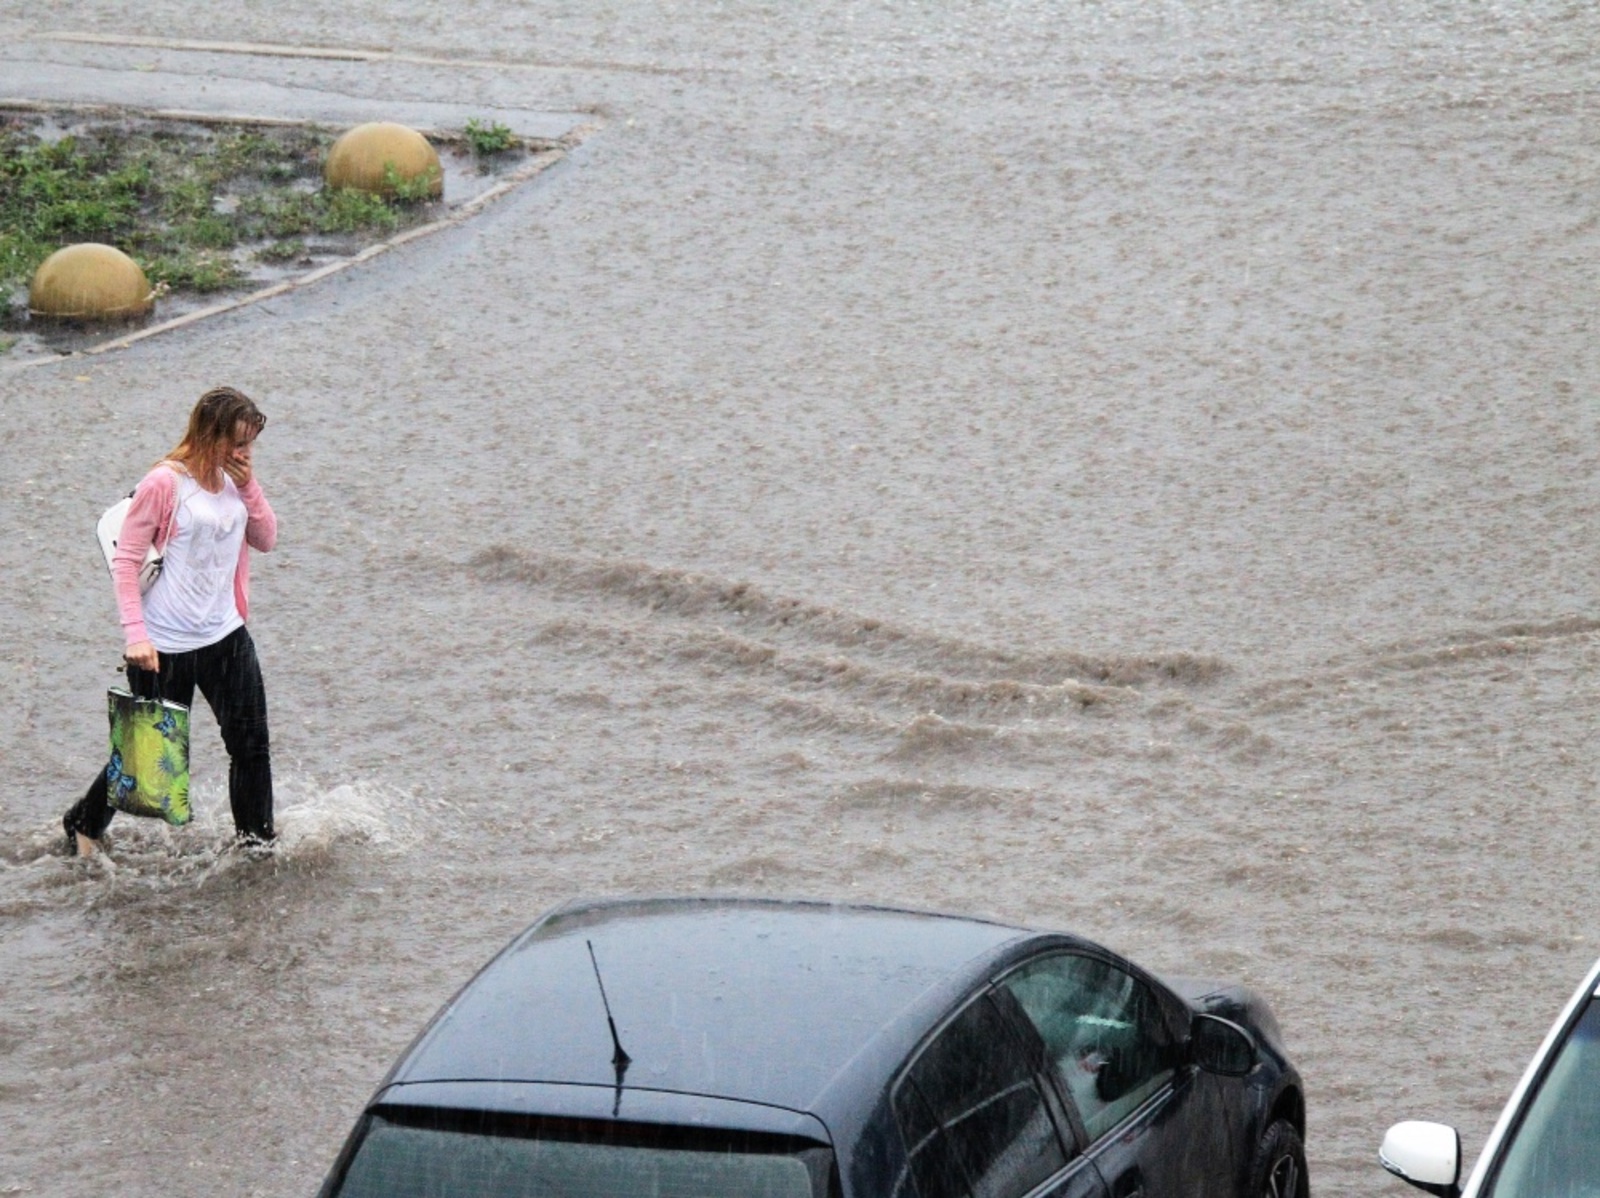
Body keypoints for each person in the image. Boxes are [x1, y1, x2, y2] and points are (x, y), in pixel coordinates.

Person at [63, 386, 279, 857]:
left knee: (251, 749)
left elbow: (266, 539)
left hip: (227, 636)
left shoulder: (235, 483)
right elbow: (126, 564)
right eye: (237, 443)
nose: (244, 453)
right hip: (163, 645)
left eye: (250, 444)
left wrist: (248, 484)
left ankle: (256, 847)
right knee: (148, 758)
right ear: (209, 434)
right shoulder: (164, 483)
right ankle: (83, 822)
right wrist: (135, 636)